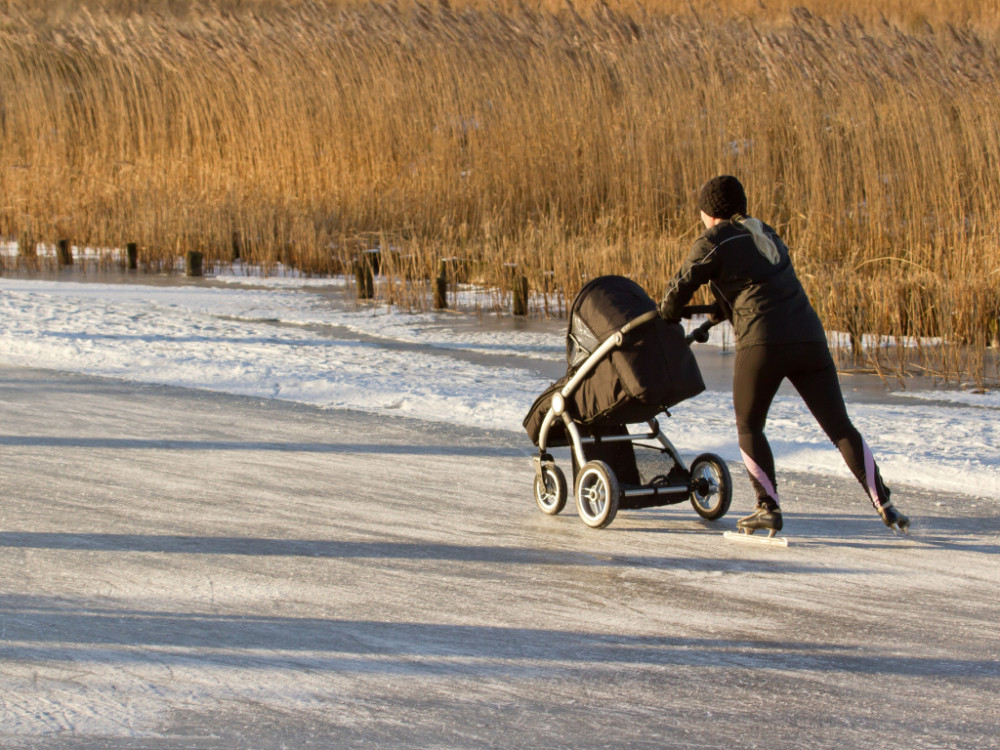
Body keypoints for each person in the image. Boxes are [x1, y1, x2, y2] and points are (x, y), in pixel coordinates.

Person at [659, 175, 909, 537]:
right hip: (810, 340)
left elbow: (678, 288)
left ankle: (768, 508)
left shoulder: (713, 239)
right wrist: (718, 310)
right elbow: (755, 287)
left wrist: (667, 314)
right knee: (841, 428)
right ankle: (884, 503)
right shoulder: (766, 233)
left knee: (749, 426)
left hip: (763, 343)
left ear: (708, 213)